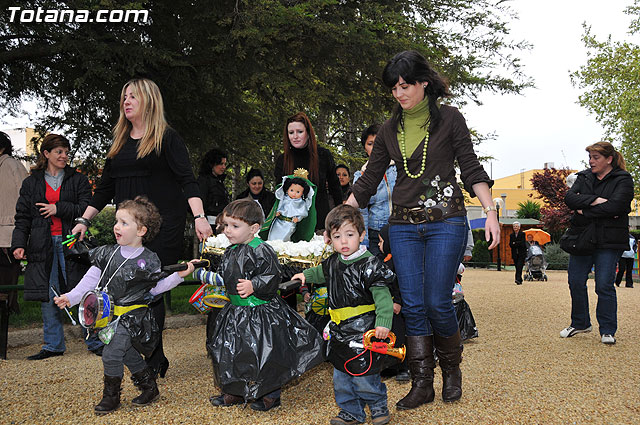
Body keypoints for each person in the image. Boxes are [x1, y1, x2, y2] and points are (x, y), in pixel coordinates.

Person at [347, 50, 499, 409]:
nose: (399, 94)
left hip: (446, 220)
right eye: (394, 88)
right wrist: (342, 214)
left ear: (423, 83)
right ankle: (421, 383)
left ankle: (452, 371)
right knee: (412, 305)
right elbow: (369, 179)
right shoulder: (388, 129)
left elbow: (472, 168)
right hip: (402, 225)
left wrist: (490, 211)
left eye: (405, 86)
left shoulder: (449, 119)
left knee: (436, 301)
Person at [71, 78, 212, 378]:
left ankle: (152, 353)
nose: (127, 101)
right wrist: (84, 220)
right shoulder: (119, 141)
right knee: (129, 287)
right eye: (124, 96)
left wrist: (199, 217)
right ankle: (152, 353)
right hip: (129, 227)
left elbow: (188, 180)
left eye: (133, 96)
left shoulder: (166, 138)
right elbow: (104, 187)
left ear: (149, 100)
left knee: (149, 286)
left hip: (162, 225)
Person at [54, 196, 197, 414]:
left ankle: (111, 397)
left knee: (111, 354)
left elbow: (155, 288)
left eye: (124, 223)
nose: (116, 227)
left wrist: (179, 276)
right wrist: (72, 297)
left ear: (141, 231)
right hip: (110, 316)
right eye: (116, 221)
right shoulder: (107, 253)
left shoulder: (149, 260)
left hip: (133, 318)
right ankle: (149, 387)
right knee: (127, 353)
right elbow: (91, 279)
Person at [208, 200, 323, 411]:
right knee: (232, 351)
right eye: (226, 225)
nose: (228, 231)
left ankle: (270, 394)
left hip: (259, 312)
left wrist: (255, 284)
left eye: (234, 226)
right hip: (236, 312)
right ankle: (234, 390)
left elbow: (273, 276)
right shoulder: (231, 250)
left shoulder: (261, 249)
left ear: (253, 228)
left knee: (264, 354)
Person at [292, 205, 395, 425]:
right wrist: (304, 275)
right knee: (341, 376)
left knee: (364, 374)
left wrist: (384, 322)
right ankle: (351, 412)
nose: (344, 242)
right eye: (337, 236)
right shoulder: (332, 263)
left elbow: (383, 298)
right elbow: (318, 273)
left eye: (350, 235)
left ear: (362, 235)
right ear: (329, 239)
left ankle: (377, 406)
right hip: (339, 331)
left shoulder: (370, 265)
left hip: (364, 329)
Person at [11, 134, 104, 359]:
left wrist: (57, 209)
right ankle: (53, 346)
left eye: (66, 152)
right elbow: (22, 217)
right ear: (46, 154)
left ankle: (94, 342)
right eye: (59, 152)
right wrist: (19, 244)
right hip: (42, 245)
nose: (64, 156)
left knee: (83, 290)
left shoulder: (78, 179)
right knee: (48, 293)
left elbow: (86, 208)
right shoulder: (31, 183)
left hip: (72, 243)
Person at [561, 142, 633, 345]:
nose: (591, 161)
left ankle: (608, 329)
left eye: (595, 158)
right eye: (590, 157)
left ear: (608, 159)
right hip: (582, 238)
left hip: (609, 241)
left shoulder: (623, 179)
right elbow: (570, 199)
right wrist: (598, 201)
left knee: (604, 285)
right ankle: (580, 322)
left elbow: (618, 206)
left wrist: (585, 208)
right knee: (575, 281)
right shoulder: (583, 176)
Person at [275, 112, 343, 230]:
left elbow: (335, 187)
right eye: (291, 133)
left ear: (308, 133)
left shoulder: (323, 155)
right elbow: (279, 193)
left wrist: (341, 216)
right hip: (289, 224)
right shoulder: (282, 160)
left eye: (299, 132)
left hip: (319, 222)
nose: (295, 136)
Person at [353, 124, 397, 255]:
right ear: (365, 148)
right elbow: (361, 212)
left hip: (400, 230)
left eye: (379, 142)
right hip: (375, 235)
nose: (376, 147)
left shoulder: (400, 169)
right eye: (370, 143)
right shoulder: (361, 175)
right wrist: (363, 242)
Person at [0, 132, 28, 316]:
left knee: (7, 271)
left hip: (10, 230)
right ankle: (9, 305)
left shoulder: (11, 165)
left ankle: (8, 307)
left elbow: (27, 195)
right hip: (8, 228)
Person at [267, 176, 313, 242]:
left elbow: (303, 213)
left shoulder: (301, 203)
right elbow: (279, 206)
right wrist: (278, 211)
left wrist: (298, 218)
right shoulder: (284, 198)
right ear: (287, 189)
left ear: (302, 193)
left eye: (298, 192)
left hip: (289, 223)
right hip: (279, 221)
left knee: (285, 237)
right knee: (273, 235)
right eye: (291, 190)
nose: (294, 193)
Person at [198, 148, 230, 227]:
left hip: (221, 223)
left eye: (225, 164)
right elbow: (200, 203)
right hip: (209, 224)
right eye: (221, 164)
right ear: (212, 164)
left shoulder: (219, 182)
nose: (223, 167)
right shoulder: (203, 181)